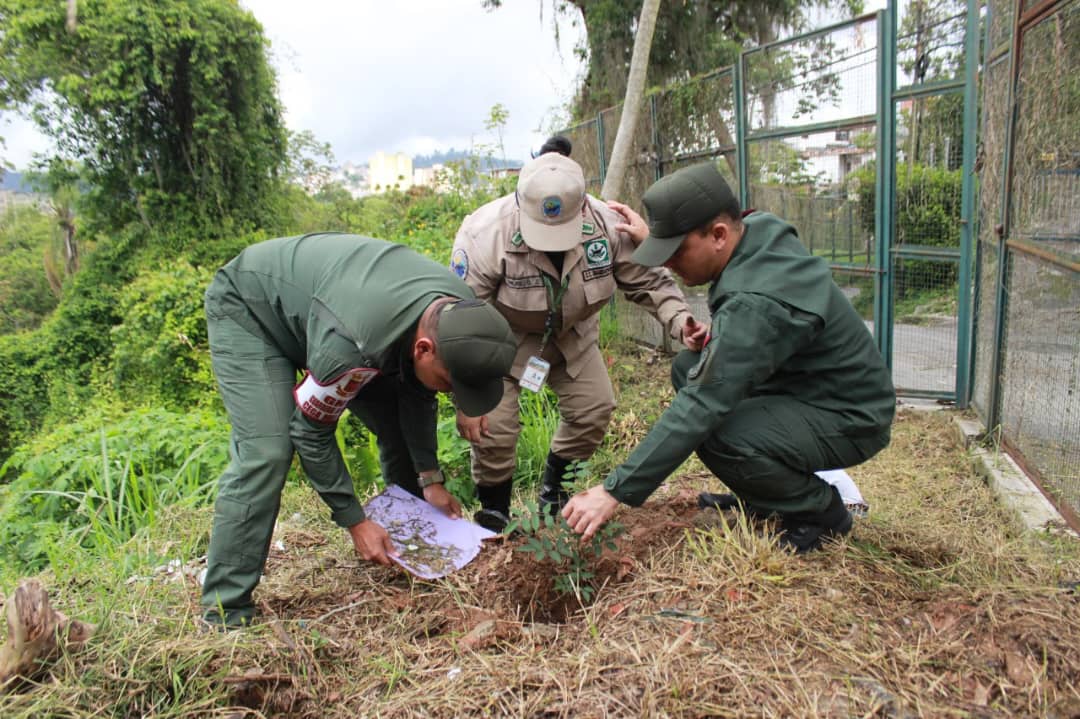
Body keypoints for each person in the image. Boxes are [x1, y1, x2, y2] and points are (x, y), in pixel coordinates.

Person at [562, 162, 896, 552]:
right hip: (809, 386)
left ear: (718, 234)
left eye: (675, 251)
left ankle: (819, 512)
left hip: (850, 415)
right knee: (689, 367)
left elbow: (703, 404)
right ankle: (766, 496)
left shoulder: (754, 306)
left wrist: (614, 490)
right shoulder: (757, 231)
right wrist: (660, 237)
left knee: (717, 430)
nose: (667, 263)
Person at [201, 233, 517, 627]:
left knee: (397, 422)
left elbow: (418, 393)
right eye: (452, 383)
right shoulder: (350, 349)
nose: (453, 394)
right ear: (423, 349)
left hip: (332, 314)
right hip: (252, 308)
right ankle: (224, 610)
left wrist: (430, 480)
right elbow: (311, 433)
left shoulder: (454, 308)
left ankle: (407, 543)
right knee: (268, 452)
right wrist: (355, 521)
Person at [449, 136, 708, 532]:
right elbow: (461, 319)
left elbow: (649, 282)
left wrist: (681, 321)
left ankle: (554, 494)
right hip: (503, 343)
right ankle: (494, 510)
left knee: (593, 410)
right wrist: (466, 397)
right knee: (493, 428)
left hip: (573, 337)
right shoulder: (486, 233)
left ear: (583, 206)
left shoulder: (607, 224)